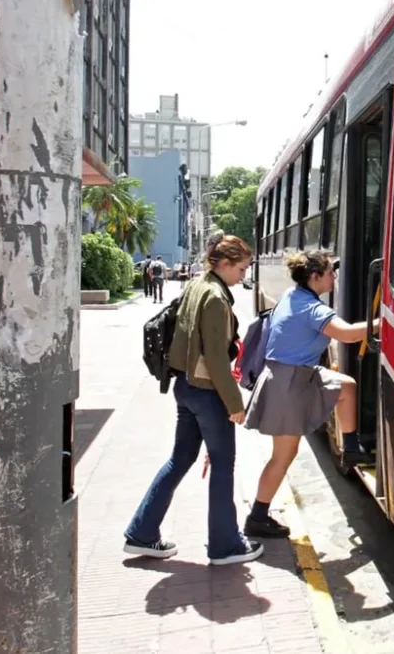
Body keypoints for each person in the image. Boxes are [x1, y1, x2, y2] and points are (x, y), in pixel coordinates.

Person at [123, 235, 262, 565]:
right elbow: (215, 358)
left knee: (179, 460)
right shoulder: (215, 297)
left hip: (185, 386)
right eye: (241, 268)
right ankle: (225, 545)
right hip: (207, 391)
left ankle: (142, 534)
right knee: (223, 464)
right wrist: (235, 405)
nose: (244, 275)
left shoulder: (198, 284)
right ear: (224, 264)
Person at [243, 251, 377, 538]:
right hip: (289, 382)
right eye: (330, 272)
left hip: (295, 374)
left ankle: (350, 448)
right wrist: (385, 321)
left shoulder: (293, 295)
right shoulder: (310, 308)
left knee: (346, 387)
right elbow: (349, 335)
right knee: (283, 456)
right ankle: (257, 516)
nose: (335, 277)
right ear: (315, 277)